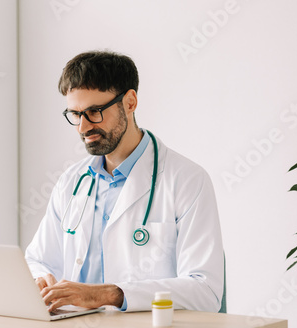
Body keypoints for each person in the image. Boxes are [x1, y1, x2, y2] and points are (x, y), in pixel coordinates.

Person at [25, 50, 224, 313]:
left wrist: (110, 294)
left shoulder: (187, 180)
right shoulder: (72, 181)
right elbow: (37, 260)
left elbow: (205, 292)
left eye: (94, 112)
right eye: (75, 114)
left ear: (130, 102)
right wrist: (40, 280)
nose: (83, 127)